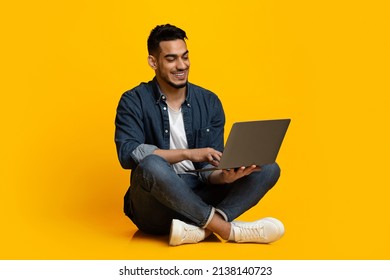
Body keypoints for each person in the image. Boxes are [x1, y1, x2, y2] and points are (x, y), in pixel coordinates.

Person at [115, 24, 284, 246]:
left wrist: (223, 176)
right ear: (153, 62)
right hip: (155, 207)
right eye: (171, 59)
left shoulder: (209, 101)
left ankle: (200, 229)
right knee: (151, 164)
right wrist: (188, 153)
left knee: (269, 168)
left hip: (198, 195)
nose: (181, 65)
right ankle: (227, 229)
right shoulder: (133, 100)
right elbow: (127, 154)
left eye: (185, 57)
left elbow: (208, 168)